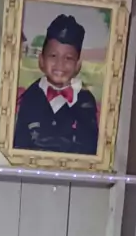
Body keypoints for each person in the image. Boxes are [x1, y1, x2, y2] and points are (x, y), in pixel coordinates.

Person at [13, 14, 99, 155]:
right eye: (53, 56)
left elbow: (91, 148)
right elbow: (18, 144)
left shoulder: (86, 102)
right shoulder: (29, 98)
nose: (60, 64)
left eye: (68, 58)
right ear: (41, 61)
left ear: (78, 65)